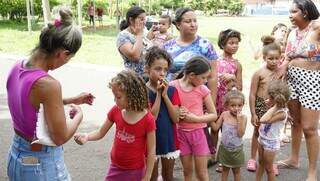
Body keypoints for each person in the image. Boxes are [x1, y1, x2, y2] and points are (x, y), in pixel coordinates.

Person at [6, 7, 94, 180]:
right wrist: (79, 117)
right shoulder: (48, 85)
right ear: (63, 53)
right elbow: (60, 137)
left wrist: (71, 99)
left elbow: (31, 104)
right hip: (41, 165)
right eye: (69, 58)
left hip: (18, 157)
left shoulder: (17, 66)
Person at [74, 70, 156, 181]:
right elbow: (100, 132)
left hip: (135, 171)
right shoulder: (115, 111)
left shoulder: (148, 120)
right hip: (115, 167)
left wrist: (147, 175)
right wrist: (87, 136)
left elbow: (151, 150)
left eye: (118, 97)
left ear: (133, 96)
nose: (115, 101)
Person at [275, 1, 320, 180]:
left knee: (309, 128)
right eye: (290, 12)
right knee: (295, 122)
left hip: (312, 81)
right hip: (292, 81)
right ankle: (294, 159)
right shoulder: (292, 32)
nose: (290, 15)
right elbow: (287, 55)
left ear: (306, 12)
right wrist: (284, 66)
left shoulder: (317, 27)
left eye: (294, 12)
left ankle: (312, 172)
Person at [171, 56, 217, 181]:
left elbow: (213, 114)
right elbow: (168, 110)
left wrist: (195, 119)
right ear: (192, 75)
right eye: (203, 77)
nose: (206, 80)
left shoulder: (202, 89)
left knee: (202, 174)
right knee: (187, 172)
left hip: (198, 134)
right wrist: (176, 111)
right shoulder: (172, 87)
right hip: (181, 134)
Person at [144, 46, 181, 181]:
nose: (162, 73)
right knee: (151, 177)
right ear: (147, 69)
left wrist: (165, 96)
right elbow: (151, 118)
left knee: (168, 176)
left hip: (168, 139)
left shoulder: (172, 91)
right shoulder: (142, 91)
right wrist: (159, 95)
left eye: (165, 70)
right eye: (158, 69)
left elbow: (176, 118)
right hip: (149, 141)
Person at [247, 36, 282, 175]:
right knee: (257, 132)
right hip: (261, 105)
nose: (274, 61)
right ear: (264, 58)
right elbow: (252, 94)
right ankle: (252, 158)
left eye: (277, 58)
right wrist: (253, 113)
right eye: (270, 58)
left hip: (275, 107)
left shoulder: (282, 73)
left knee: (274, 135)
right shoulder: (259, 73)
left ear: (281, 57)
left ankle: (272, 161)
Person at [210, 29, 243, 171]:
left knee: (227, 129)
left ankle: (224, 159)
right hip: (214, 99)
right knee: (214, 128)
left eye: (236, 43)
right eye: (231, 43)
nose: (235, 46)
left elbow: (240, 87)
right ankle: (212, 155)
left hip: (228, 102)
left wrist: (233, 77)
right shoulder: (215, 61)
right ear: (223, 44)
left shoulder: (237, 64)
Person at [163, 7, 218, 83]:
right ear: (178, 25)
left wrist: (212, 95)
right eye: (188, 21)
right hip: (170, 92)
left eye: (195, 21)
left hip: (199, 93)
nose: (193, 24)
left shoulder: (206, 46)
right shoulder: (167, 46)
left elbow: (212, 77)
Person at [256, 80, 290, 181]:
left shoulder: (282, 113)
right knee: (260, 163)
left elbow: (263, 120)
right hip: (262, 138)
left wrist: (274, 107)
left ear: (277, 101)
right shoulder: (273, 108)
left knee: (269, 168)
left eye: (270, 98)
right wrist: (271, 106)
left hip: (270, 143)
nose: (267, 99)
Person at [211, 89, 247, 181]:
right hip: (224, 149)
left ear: (243, 105)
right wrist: (209, 118)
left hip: (237, 150)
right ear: (227, 105)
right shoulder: (224, 115)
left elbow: (240, 134)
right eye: (233, 105)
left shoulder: (243, 118)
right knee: (225, 170)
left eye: (239, 105)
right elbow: (215, 128)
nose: (236, 108)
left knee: (236, 171)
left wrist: (239, 120)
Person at [116, 6, 152, 76]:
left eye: (145, 19)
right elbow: (135, 56)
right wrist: (139, 34)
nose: (144, 22)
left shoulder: (142, 31)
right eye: (141, 19)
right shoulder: (123, 36)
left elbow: (146, 46)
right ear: (131, 20)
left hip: (148, 76)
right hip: (135, 78)